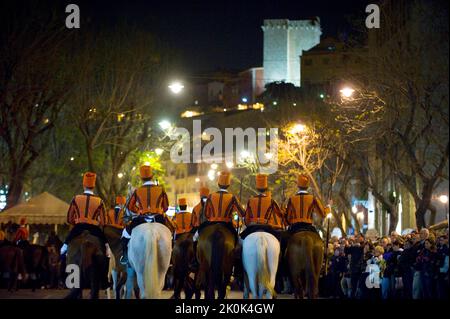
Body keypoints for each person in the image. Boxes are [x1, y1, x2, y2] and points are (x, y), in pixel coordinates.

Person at [120, 164, 170, 265]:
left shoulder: (137, 190)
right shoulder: (161, 189)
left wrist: (138, 210)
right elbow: (166, 207)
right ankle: (170, 258)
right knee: (171, 234)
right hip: (158, 218)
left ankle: (125, 255)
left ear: (142, 178)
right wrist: (159, 210)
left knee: (125, 233)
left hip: (141, 219)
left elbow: (130, 206)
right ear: (152, 176)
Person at [60, 172, 111, 257]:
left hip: (78, 228)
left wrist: (76, 221)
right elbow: (104, 222)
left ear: (84, 185)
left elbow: (69, 219)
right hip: (94, 229)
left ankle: (64, 252)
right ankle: (107, 254)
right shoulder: (100, 201)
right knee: (106, 248)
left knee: (64, 248)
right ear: (93, 186)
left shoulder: (76, 198)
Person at [200, 171, 245, 243]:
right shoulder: (232, 197)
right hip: (227, 224)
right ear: (228, 185)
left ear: (218, 184)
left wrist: (212, 218)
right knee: (238, 242)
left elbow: (206, 213)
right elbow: (242, 213)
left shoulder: (210, 196)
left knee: (198, 236)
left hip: (211, 222)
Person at [240, 174, 284, 241]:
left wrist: (248, 224)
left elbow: (246, 218)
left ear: (257, 188)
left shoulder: (250, 200)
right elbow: (280, 214)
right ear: (266, 189)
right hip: (267, 226)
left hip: (253, 226)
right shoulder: (271, 201)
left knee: (241, 241)